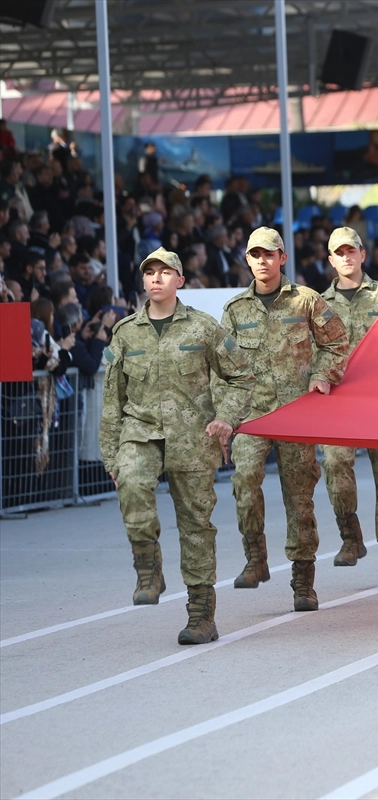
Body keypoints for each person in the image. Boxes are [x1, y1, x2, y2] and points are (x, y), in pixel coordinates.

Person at [100, 247, 255, 645]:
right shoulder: (125, 332)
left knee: (196, 526)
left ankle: (201, 616)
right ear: (143, 281)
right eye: (149, 272)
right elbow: (112, 400)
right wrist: (111, 456)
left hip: (192, 440)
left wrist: (226, 417)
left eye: (165, 272)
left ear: (180, 281)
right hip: (141, 432)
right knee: (132, 483)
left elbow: (242, 375)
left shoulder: (202, 328)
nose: (156, 278)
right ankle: (148, 567)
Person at [221, 227, 350, 611]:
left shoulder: (306, 300)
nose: (262, 261)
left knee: (299, 498)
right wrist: (225, 416)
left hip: (295, 414)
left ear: (282, 258)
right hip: (253, 416)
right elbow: (222, 366)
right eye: (255, 255)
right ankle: (255, 557)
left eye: (269, 254)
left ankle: (302, 580)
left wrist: (322, 374)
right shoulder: (235, 310)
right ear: (247, 260)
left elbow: (336, 342)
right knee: (244, 480)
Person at [319, 227, 378, 587]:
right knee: (334, 463)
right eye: (339, 252)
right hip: (341, 402)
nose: (346, 257)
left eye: (351, 251)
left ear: (362, 254)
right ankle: (350, 535)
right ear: (330, 259)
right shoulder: (318, 304)